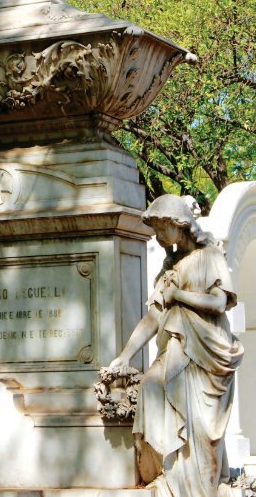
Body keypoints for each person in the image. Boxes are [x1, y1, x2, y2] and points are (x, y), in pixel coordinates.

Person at [110, 194, 243, 497]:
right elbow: (154, 316)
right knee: (150, 389)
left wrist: (179, 296)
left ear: (178, 225)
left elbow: (219, 302)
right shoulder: (170, 264)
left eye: (160, 229)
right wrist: (125, 355)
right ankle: (169, 479)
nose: (157, 236)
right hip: (175, 351)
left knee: (199, 427)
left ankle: (202, 488)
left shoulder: (210, 257)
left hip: (207, 355)